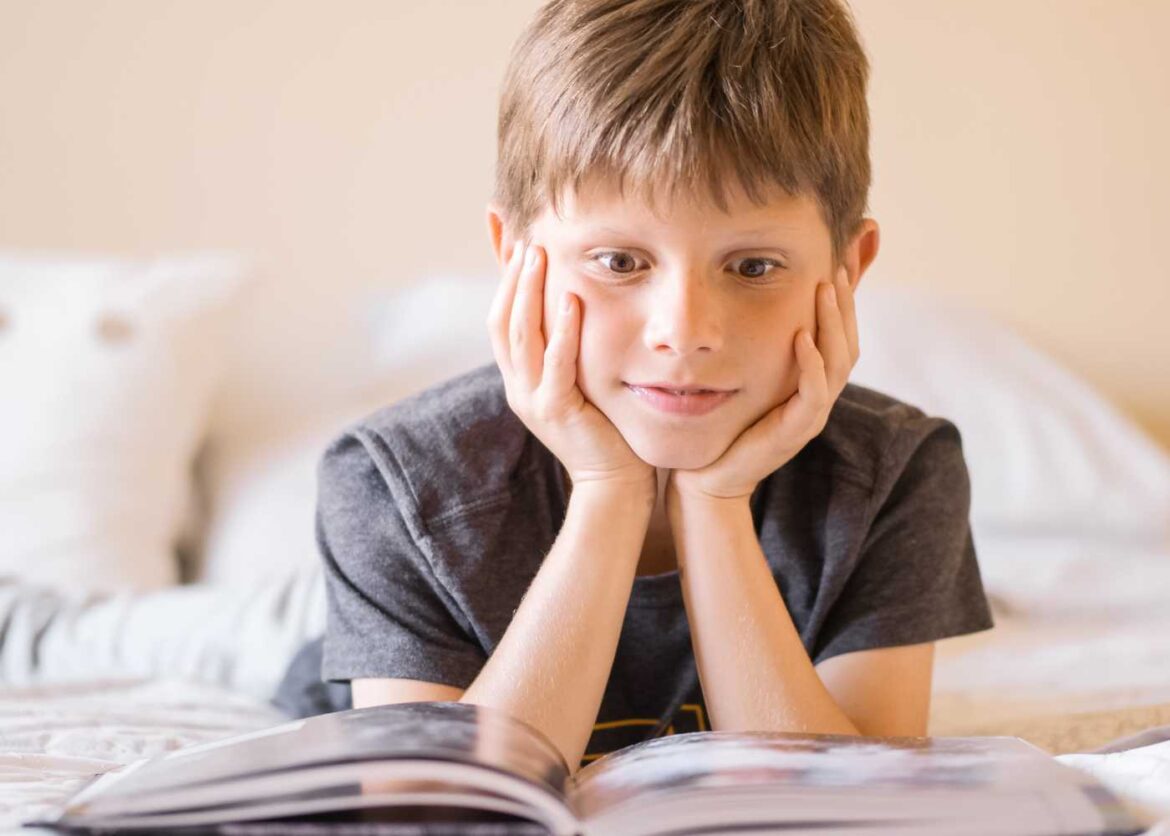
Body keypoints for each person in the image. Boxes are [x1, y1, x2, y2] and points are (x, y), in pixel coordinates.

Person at [271, 0, 995, 775]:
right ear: (513, 256)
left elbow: (854, 801)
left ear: (847, 269)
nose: (684, 332)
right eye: (619, 262)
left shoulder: (899, 473)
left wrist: (715, 506)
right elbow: (447, 807)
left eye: (753, 266)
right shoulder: (394, 484)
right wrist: (607, 489)